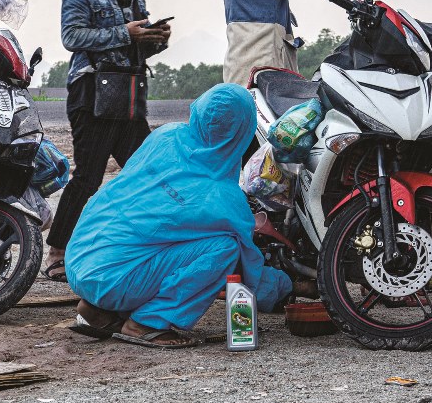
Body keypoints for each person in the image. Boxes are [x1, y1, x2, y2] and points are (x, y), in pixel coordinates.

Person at [64, 84, 306, 348]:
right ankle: (146, 323)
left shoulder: (166, 136)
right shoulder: (223, 198)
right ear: (244, 132)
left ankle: (97, 311)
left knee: (148, 240)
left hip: (80, 258)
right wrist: (289, 286)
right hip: (114, 281)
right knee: (225, 249)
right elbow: (249, 272)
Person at [43, 0, 170, 282]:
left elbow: (139, 46)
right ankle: (58, 252)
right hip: (91, 92)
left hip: (129, 94)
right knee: (88, 176)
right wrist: (124, 32)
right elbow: (71, 36)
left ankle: (134, 245)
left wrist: (156, 38)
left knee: (147, 171)